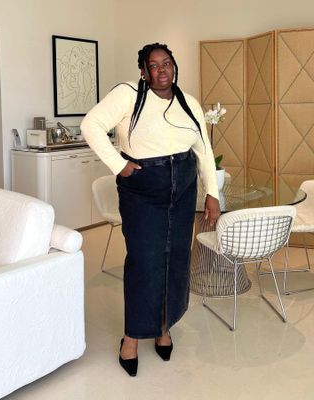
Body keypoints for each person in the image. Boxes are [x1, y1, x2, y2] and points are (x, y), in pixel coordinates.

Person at [80, 42, 220, 377]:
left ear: (174, 66)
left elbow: (203, 149)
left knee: (175, 258)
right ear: (143, 71)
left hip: (183, 186)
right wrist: (120, 165)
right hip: (143, 189)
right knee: (144, 261)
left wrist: (211, 193)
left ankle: (162, 327)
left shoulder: (190, 103)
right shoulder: (129, 94)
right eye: (153, 65)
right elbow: (91, 125)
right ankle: (131, 336)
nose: (162, 70)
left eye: (167, 63)